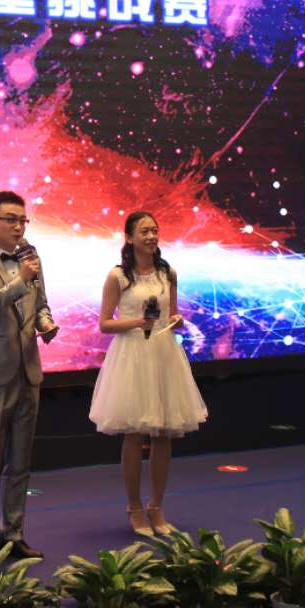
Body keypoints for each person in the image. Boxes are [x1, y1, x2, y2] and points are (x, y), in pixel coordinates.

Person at [89, 210, 208, 536]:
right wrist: (137, 322)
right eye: (144, 231)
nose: (151, 236)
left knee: (164, 433)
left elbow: (172, 315)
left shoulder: (168, 272)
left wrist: (177, 320)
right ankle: (134, 508)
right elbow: (104, 323)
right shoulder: (118, 276)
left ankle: (157, 507)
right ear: (129, 237)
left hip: (163, 353)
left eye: (154, 230)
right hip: (132, 355)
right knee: (134, 432)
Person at [0, 190, 58, 562]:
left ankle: (14, 533)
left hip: (28, 371)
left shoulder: (31, 257)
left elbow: (41, 304)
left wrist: (46, 323)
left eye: (23, 220)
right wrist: (20, 281)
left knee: (21, 462)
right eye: (11, 219)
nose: (19, 227)